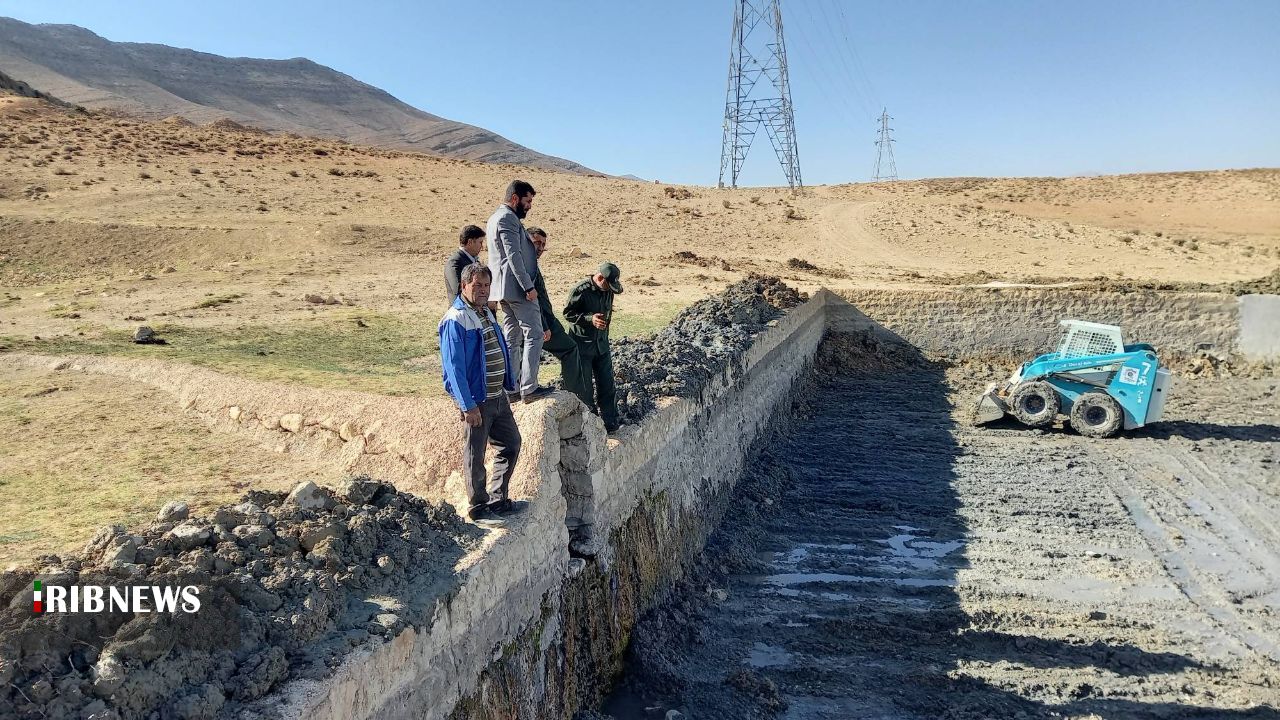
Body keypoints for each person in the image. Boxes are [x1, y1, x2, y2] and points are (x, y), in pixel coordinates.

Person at [439, 263, 525, 523]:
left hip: (497, 395)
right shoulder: (455, 319)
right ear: (464, 286)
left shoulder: (484, 313)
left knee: (511, 444)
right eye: (477, 285)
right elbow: (454, 369)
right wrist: (468, 406)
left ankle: (498, 499)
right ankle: (478, 506)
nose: (483, 290)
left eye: (486, 285)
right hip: (477, 400)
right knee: (475, 454)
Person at [487, 180, 553, 403]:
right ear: (515, 198)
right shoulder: (507, 218)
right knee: (534, 334)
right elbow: (513, 255)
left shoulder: (495, 217)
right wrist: (528, 286)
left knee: (512, 338)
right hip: (518, 289)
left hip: (503, 290)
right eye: (528, 201)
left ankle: (512, 388)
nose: (530, 206)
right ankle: (529, 388)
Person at [527, 227, 591, 407]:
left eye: (543, 245)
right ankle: (575, 398)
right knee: (570, 349)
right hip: (539, 321)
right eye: (536, 242)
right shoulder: (526, 265)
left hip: (539, 320)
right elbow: (532, 300)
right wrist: (544, 325)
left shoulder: (528, 263)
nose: (540, 248)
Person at [564, 262, 623, 433]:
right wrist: (590, 319)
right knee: (585, 391)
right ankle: (590, 427)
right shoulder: (581, 291)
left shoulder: (608, 291)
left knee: (607, 385)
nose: (609, 290)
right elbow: (568, 314)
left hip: (602, 345)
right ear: (599, 278)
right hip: (583, 347)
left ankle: (610, 423)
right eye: (608, 285)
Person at [444, 224, 486, 301]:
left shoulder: (475, 261)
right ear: (470, 242)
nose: (482, 246)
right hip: (462, 310)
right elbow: (458, 289)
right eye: (480, 242)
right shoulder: (454, 262)